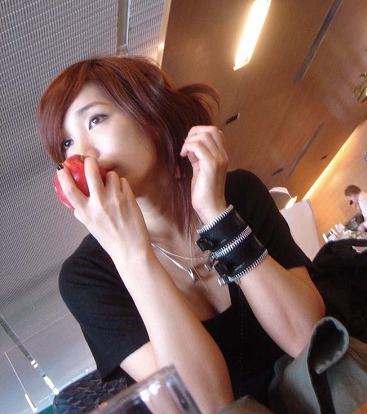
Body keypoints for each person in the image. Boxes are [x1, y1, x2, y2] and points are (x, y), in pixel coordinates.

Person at [38, 56, 326, 414]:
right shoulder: (86, 276)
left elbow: (310, 338)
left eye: (95, 120)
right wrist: (131, 256)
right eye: (66, 143)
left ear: (149, 112)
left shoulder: (238, 193)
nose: (81, 154)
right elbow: (205, 406)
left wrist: (216, 215)